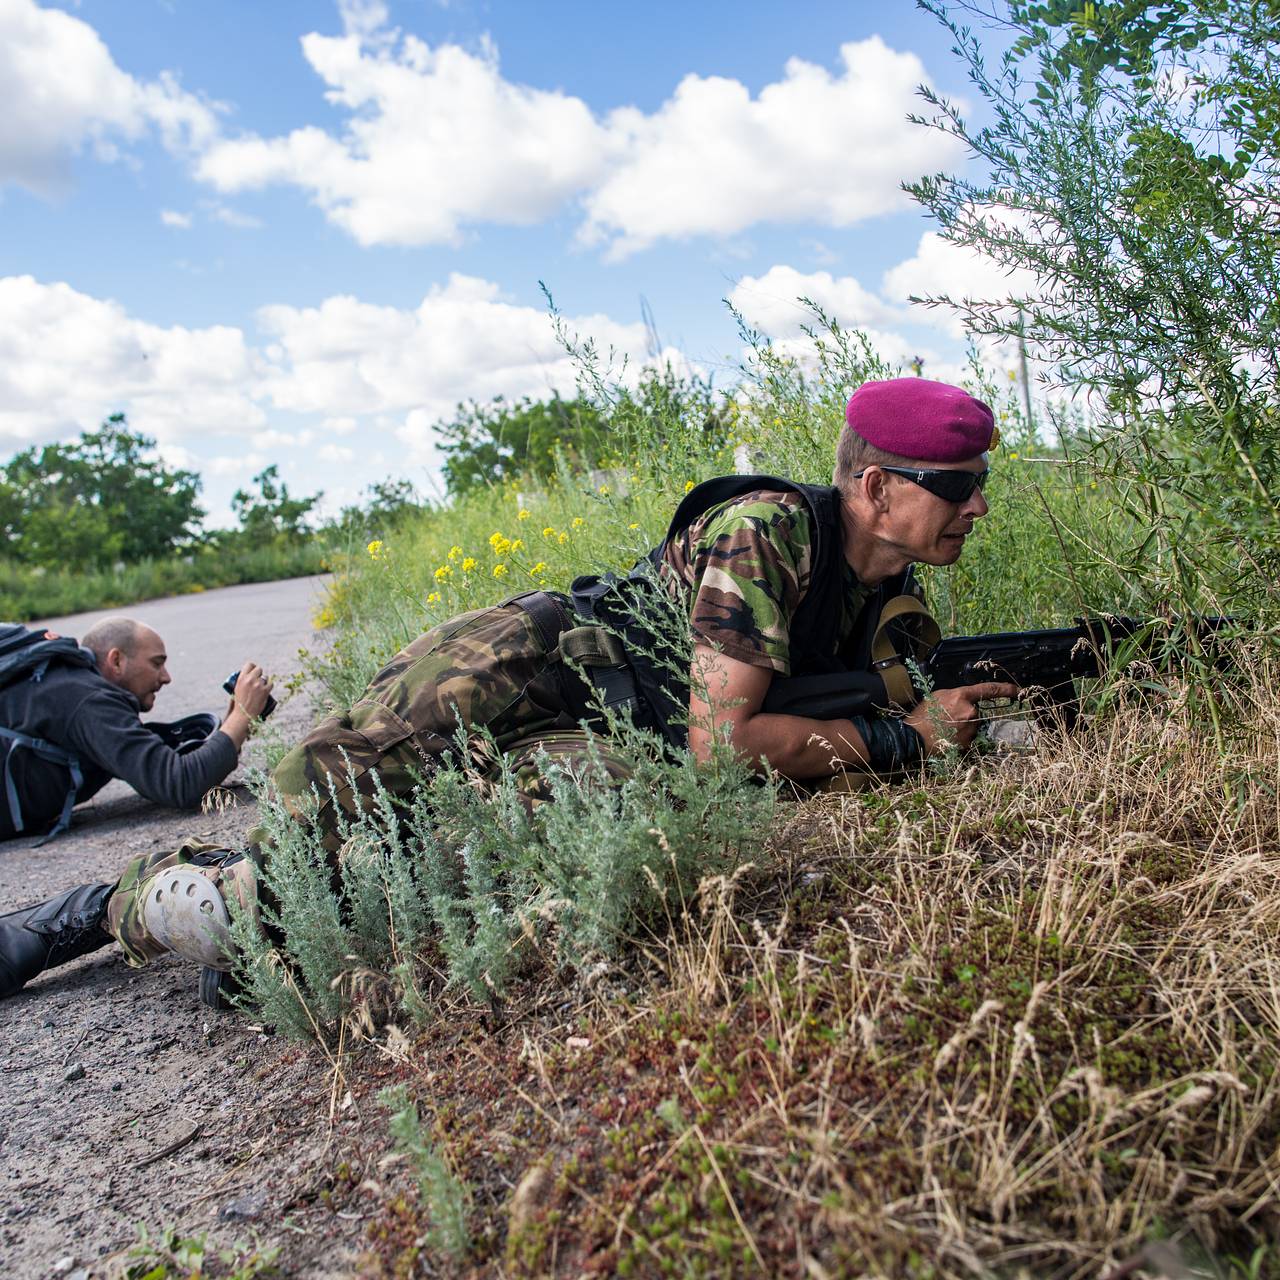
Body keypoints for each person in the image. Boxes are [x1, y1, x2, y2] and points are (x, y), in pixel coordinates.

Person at [0, 378, 1016, 1003]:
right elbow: (727, 742)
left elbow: (768, 736)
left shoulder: (887, 596)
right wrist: (905, 743)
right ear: (876, 485)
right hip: (531, 661)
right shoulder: (765, 531)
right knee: (325, 795)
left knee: (440, 871)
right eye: (955, 481)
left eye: (976, 481)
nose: (975, 502)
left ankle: (262, 925)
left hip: (613, 736)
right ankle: (103, 906)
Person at [0, 615, 274, 842]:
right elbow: (179, 783)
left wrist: (234, 727)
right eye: (157, 663)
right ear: (116, 660)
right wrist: (243, 715)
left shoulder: (70, 684)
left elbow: (154, 765)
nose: (166, 677)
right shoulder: (86, 701)